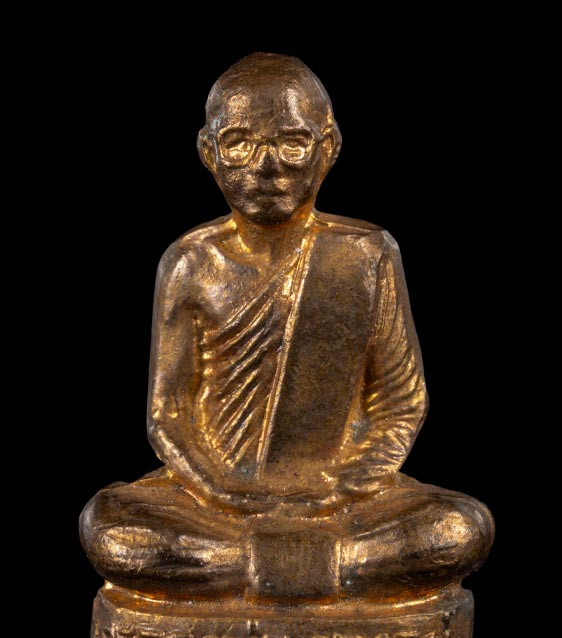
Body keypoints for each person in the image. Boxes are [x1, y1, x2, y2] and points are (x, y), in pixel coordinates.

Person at [80, 53, 494, 601]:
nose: (266, 166)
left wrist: (343, 487)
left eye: (292, 143)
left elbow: (400, 402)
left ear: (329, 148)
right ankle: (329, 569)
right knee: (113, 528)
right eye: (240, 144)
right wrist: (220, 489)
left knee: (459, 527)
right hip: (218, 505)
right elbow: (169, 415)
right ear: (209, 152)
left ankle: (249, 570)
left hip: (339, 500)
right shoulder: (191, 263)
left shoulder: (365, 255)